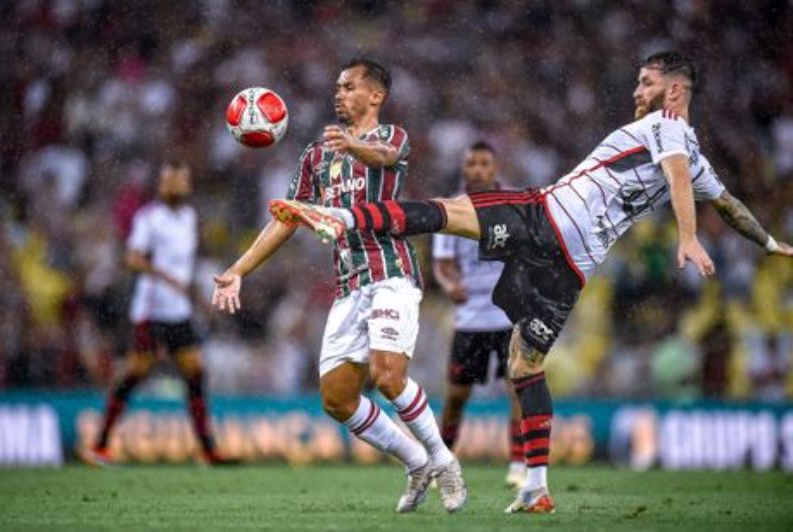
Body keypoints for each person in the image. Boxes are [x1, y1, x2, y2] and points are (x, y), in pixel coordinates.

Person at [268, 51, 793, 514]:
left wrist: (688, 235)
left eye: (646, 83)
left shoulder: (671, 129)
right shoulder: (688, 150)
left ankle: (348, 220)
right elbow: (728, 203)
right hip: (569, 265)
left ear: (674, 91)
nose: (637, 92)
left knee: (452, 218)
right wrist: (768, 243)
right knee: (524, 362)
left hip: (546, 217)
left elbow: (681, 177)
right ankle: (536, 488)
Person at [211, 58, 466, 513]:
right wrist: (238, 269)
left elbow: (384, 158)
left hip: (392, 273)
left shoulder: (393, 138)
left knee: (389, 376)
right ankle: (414, 461)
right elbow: (286, 218)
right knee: (336, 398)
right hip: (349, 285)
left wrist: (352, 145)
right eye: (337, 87)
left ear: (376, 96)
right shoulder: (316, 155)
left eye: (349, 86)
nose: (339, 93)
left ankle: (445, 461)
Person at [82, 160, 230, 466]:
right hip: (150, 309)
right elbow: (133, 259)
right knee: (136, 372)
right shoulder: (149, 218)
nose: (175, 186)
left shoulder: (189, 217)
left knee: (196, 372)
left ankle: (208, 450)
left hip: (178, 311)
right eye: (169, 181)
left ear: (186, 185)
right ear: (161, 185)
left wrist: (191, 292)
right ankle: (99, 446)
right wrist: (164, 277)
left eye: (180, 181)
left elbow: (184, 267)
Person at [431, 142, 526, 488]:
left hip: (509, 316)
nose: (479, 169)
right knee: (456, 396)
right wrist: (449, 283)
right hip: (470, 317)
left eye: (485, 162)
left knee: (517, 389)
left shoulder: (516, 205)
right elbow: (442, 263)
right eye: (472, 163)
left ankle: (519, 465)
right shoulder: (451, 208)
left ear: (495, 167)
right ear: (464, 168)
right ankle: (442, 465)